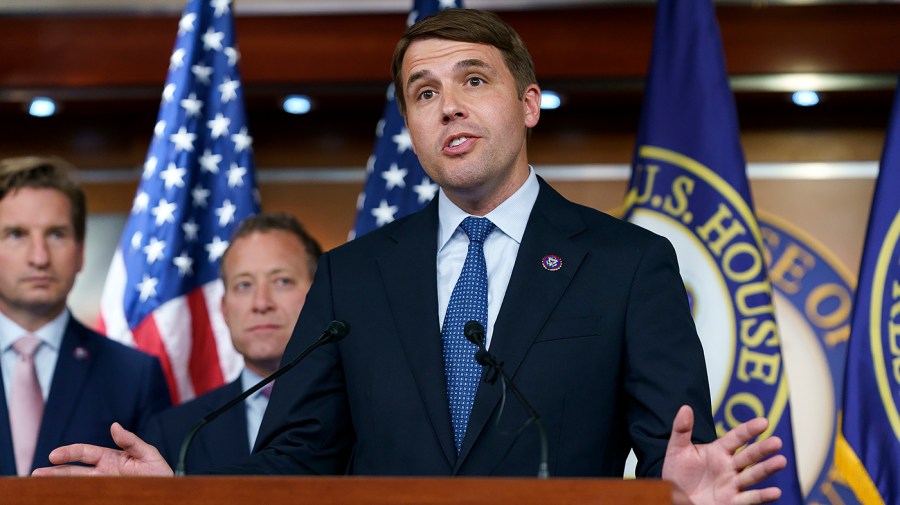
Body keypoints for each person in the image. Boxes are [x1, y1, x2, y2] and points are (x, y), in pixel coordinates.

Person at [34, 9, 786, 504]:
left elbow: (674, 449)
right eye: (423, 93)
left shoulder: (629, 263)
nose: (448, 105)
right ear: (411, 126)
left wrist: (679, 491)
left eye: (473, 80)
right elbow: (298, 459)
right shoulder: (352, 276)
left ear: (528, 103)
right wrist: (186, 491)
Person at [0, 156, 171, 476]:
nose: (39, 257)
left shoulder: (135, 375)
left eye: (56, 234)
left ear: (80, 252)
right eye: (16, 234)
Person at [139, 213, 322, 474]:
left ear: (319, 296)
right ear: (224, 310)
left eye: (282, 281)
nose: (261, 303)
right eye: (244, 285)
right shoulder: (175, 434)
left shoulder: (363, 416)